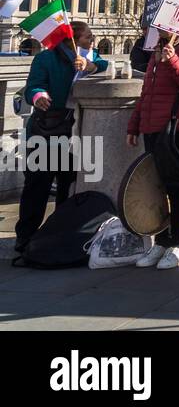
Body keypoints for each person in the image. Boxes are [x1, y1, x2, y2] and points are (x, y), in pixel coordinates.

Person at [14, 22, 108, 254]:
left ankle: (60, 234)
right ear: (71, 39)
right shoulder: (46, 59)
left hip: (75, 131)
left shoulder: (90, 56)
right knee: (37, 186)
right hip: (46, 129)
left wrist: (90, 65)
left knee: (69, 186)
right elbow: (33, 86)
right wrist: (39, 96)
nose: (92, 40)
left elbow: (107, 67)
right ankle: (25, 237)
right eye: (88, 36)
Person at [128, 31, 179, 269]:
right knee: (157, 186)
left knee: (176, 185)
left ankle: (178, 242)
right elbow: (147, 91)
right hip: (153, 126)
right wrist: (134, 124)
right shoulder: (157, 45)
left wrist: (173, 59)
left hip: (178, 126)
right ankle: (162, 241)